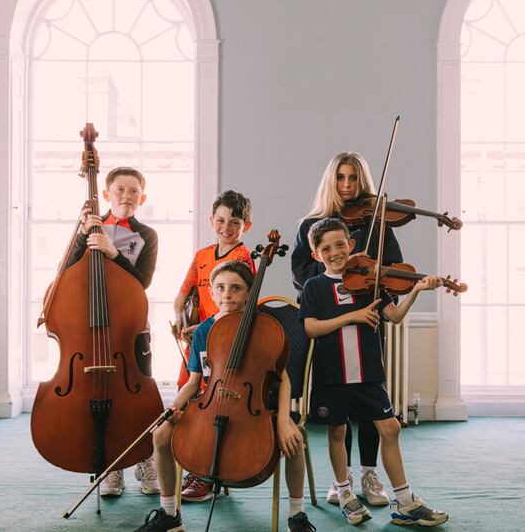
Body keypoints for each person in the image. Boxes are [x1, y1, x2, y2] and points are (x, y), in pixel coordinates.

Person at [136, 261, 316, 532]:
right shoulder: (204, 331)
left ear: (248, 293)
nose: (227, 294)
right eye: (220, 288)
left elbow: (284, 380)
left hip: (256, 406)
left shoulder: (267, 329)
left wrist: (282, 420)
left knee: (295, 440)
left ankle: (296, 516)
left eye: (236, 288)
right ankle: (170, 514)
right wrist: (176, 405)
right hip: (211, 405)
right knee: (161, 434)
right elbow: (195, 382)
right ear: (212, 293)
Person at [300, 218, 448, 527]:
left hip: (368, 373)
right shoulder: (314, 286)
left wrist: (417, 289)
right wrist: (352, 316)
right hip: (332, 375)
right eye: (326, 248)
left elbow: (393, 315)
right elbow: (311, 328)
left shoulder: (371, 281)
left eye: (341, 244)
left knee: (391, 428)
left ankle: (404, 501)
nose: (335, 252)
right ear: (316, 254)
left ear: (351, 245)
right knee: (337, 432)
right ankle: (344, 493)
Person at [291, 152, 401, 506]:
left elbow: (394, 268)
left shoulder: (376, 222)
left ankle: (370, 474)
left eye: (354, 178)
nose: (347, 185)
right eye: (341, 177)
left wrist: (368, 277)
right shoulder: (311, 224)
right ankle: (344, 480)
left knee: (369, 399)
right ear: (331, 181)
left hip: (367, 314)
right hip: (330, 320)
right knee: (338, 410)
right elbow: (301, 271)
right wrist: (338, 281)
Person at [64, 166, 159, 497]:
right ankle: (111, 466)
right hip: (92, 327)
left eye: (134, 191)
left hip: (131, 326)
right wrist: (82, 236)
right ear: (107, 194)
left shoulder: (146, 235)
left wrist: (113, 252)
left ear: (141, 197)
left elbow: (142, 281)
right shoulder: (92, 225)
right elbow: (67, 272)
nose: (126, 196)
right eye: (120, 190)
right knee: (102, 394)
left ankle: (145, 457)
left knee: (139, 395)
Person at [171, 190, 256, 502]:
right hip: (201, 338)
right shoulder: (202, 255)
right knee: (190, 398)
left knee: (216, 403)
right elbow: (182, 295)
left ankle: (209, 473)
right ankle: (197, 465)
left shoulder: (244, 259)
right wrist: (181, 319)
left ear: (246, 225)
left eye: (234, 222)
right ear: (211, 220)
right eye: (220, 221)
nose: (226, 227)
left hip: (227, 339)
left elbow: (244, 306)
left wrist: (206, 327)